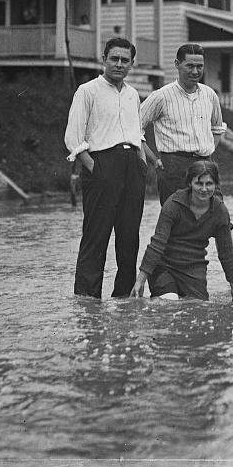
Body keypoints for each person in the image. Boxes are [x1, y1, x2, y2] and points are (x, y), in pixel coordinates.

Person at [64, 37, 160, 299]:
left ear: (132, 64)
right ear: (103, 59)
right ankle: (87, 301)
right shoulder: (87, 91)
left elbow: (136, 133)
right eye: (114, 59)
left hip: (132, 167)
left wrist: (144, 163)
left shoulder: (131, 95)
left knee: (129, 238)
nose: (119, 64)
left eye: (125, 60)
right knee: (96, 238)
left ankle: (125, 300)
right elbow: (72, 138)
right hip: (102, 165)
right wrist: (96, 169)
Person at [130, 161, 233, 301]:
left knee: (197, 307)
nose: (204, 189)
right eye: (199, 183)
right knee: (170, 301)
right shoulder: (173, 204)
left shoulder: (219, 211)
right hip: (164, 267)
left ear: (216, 185)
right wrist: (140, 281)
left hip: (194, 270)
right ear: (190, 183)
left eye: (209, 184)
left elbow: (226, 252)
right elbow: (157, 244)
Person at [140, 43, 227, 205]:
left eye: (199, 66)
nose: (195, 71)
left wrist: (208, 153)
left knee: (217, 217)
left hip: (205, 165)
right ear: (177, 65)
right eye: (190, 66)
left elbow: (217, 128)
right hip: (174, 166)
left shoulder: (209, 95)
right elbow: (134, 129)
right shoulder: (161, 96)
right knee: (178, 220)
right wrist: (153, 161)